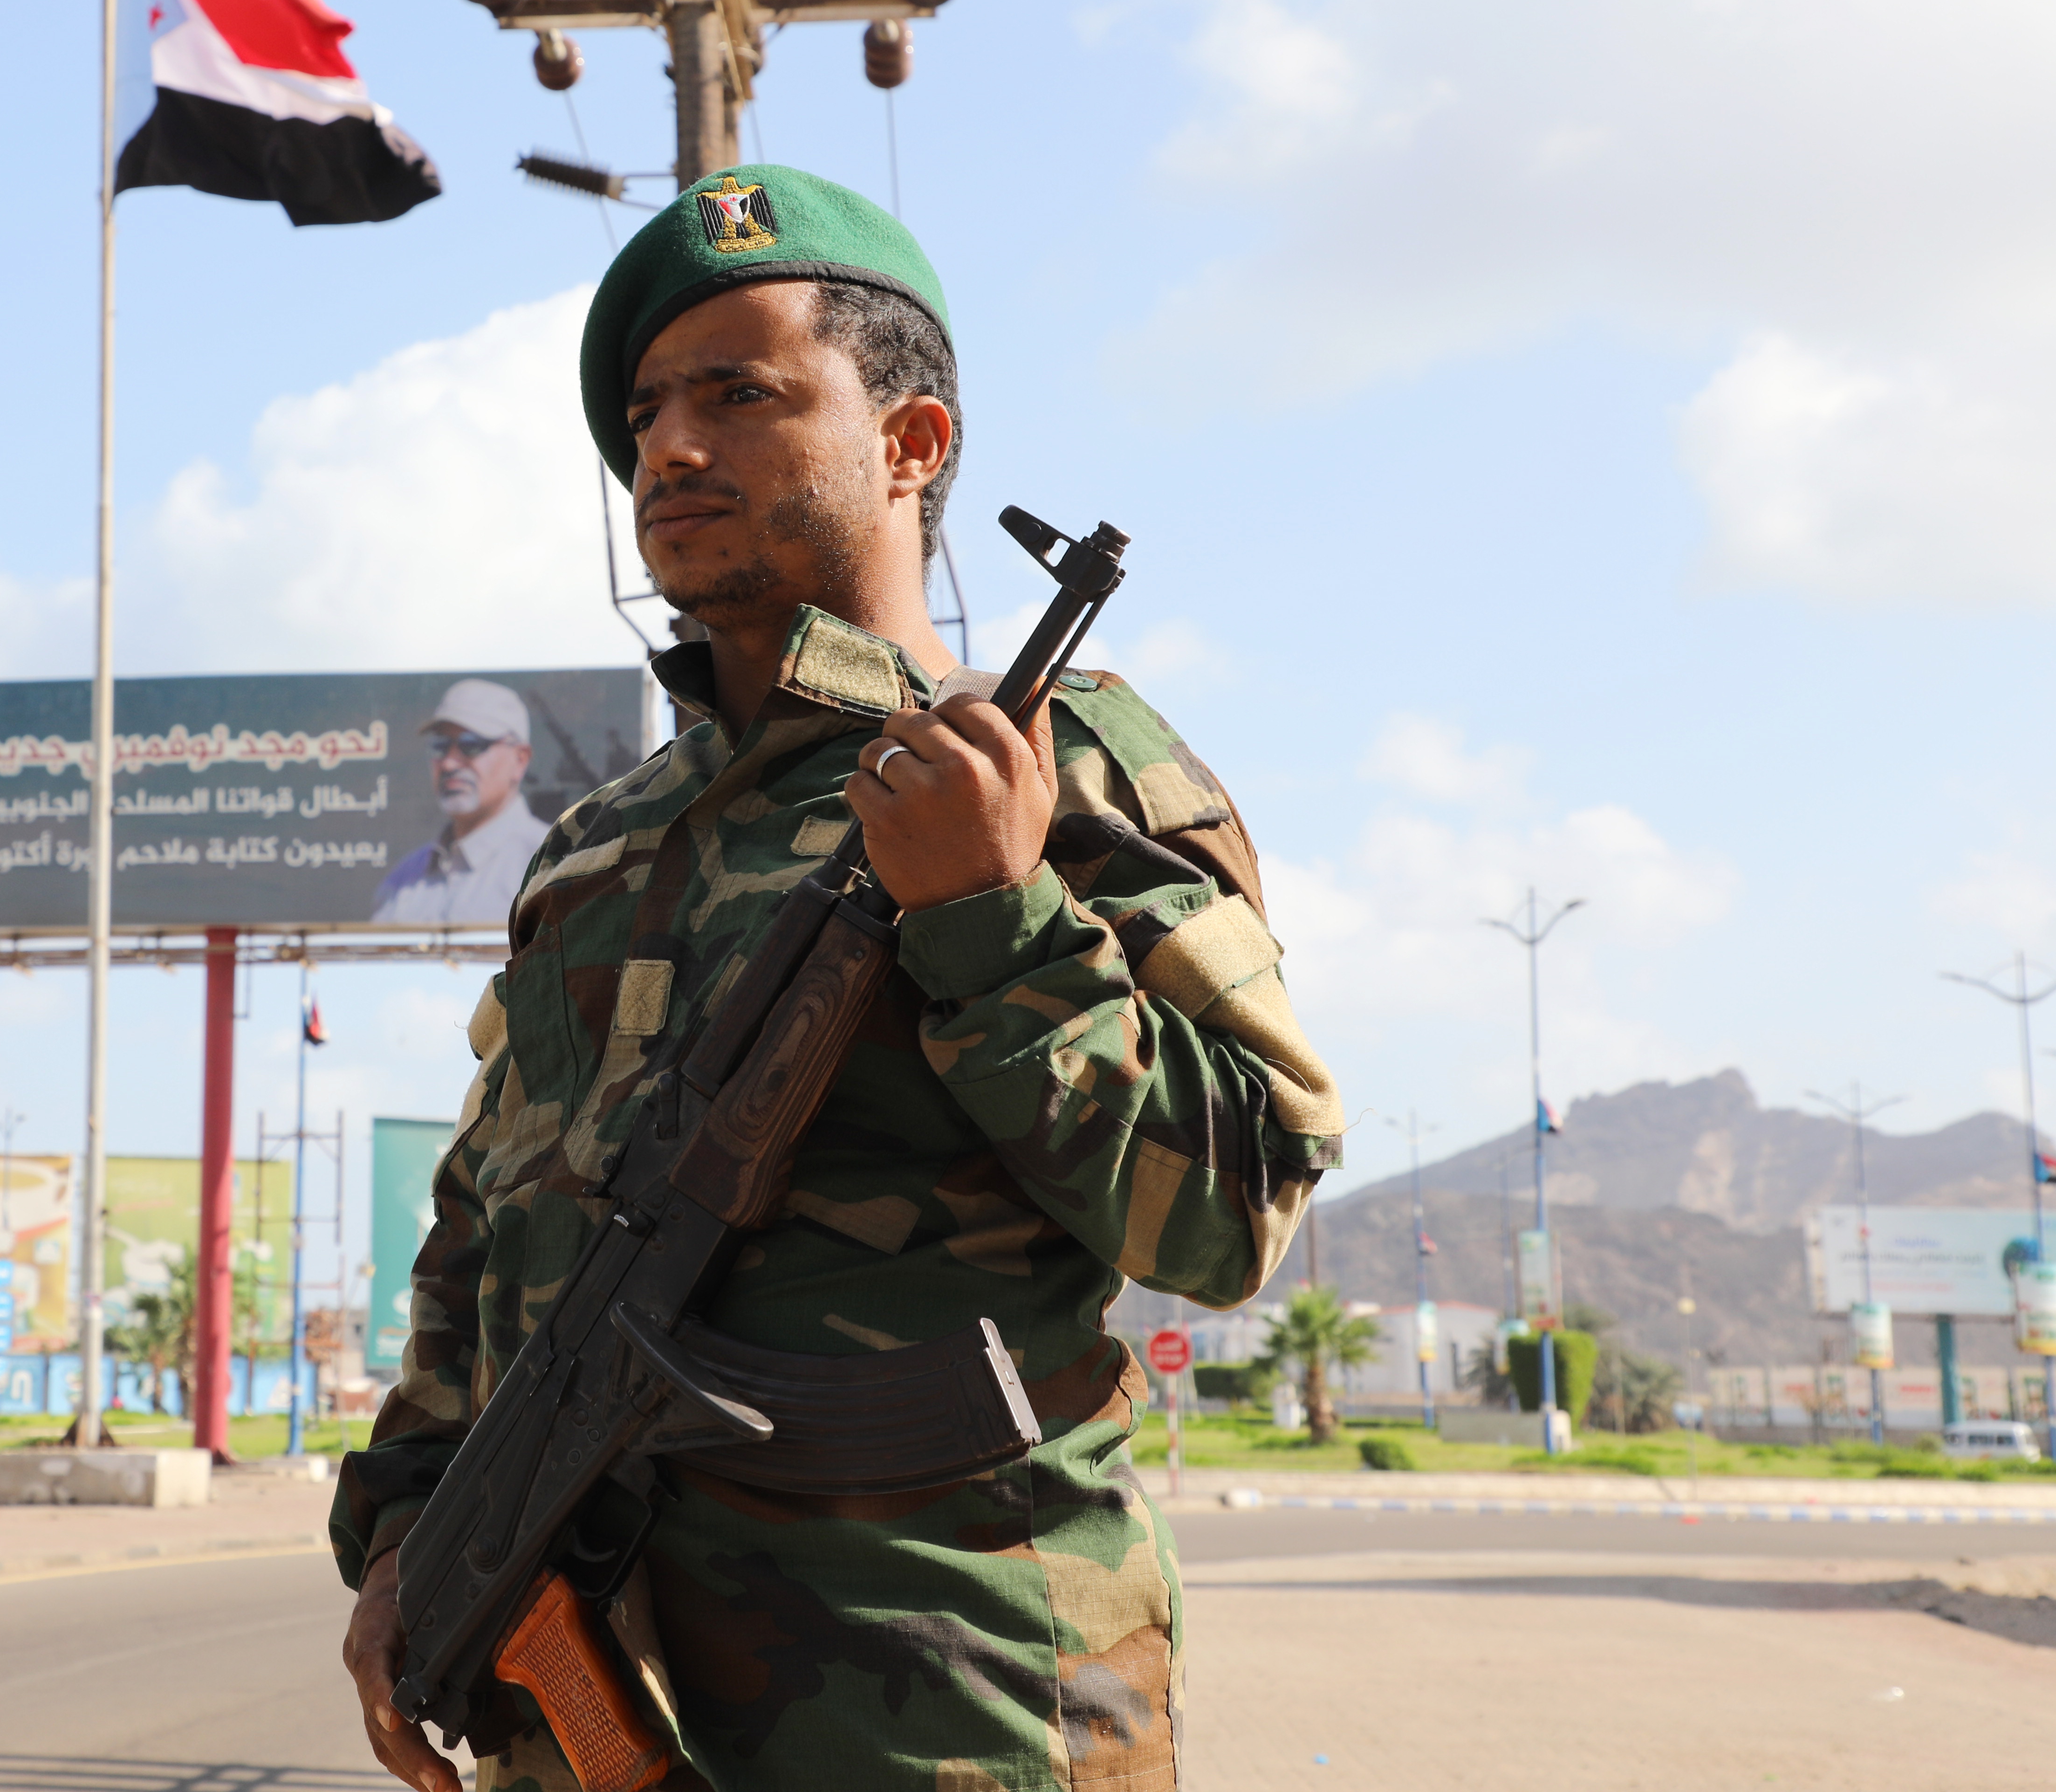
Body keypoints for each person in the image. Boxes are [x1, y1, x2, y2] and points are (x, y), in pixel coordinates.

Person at [331, 165, 1343, 1792]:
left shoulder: (1068, 772)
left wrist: (996, 916)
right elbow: (482, 1228)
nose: (667, 446)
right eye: (649, 410)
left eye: (742, 394)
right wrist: (405, 1537)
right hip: (575, 1693)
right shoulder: (595, 851)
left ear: (910, 444)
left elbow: (1237, 1210)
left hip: (944, 1691)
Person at [370, 679, 553, 926]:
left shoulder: (550, 866)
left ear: (520, 760)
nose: (449, 764)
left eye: (472, 745)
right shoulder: (404, 880)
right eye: (440, 746)